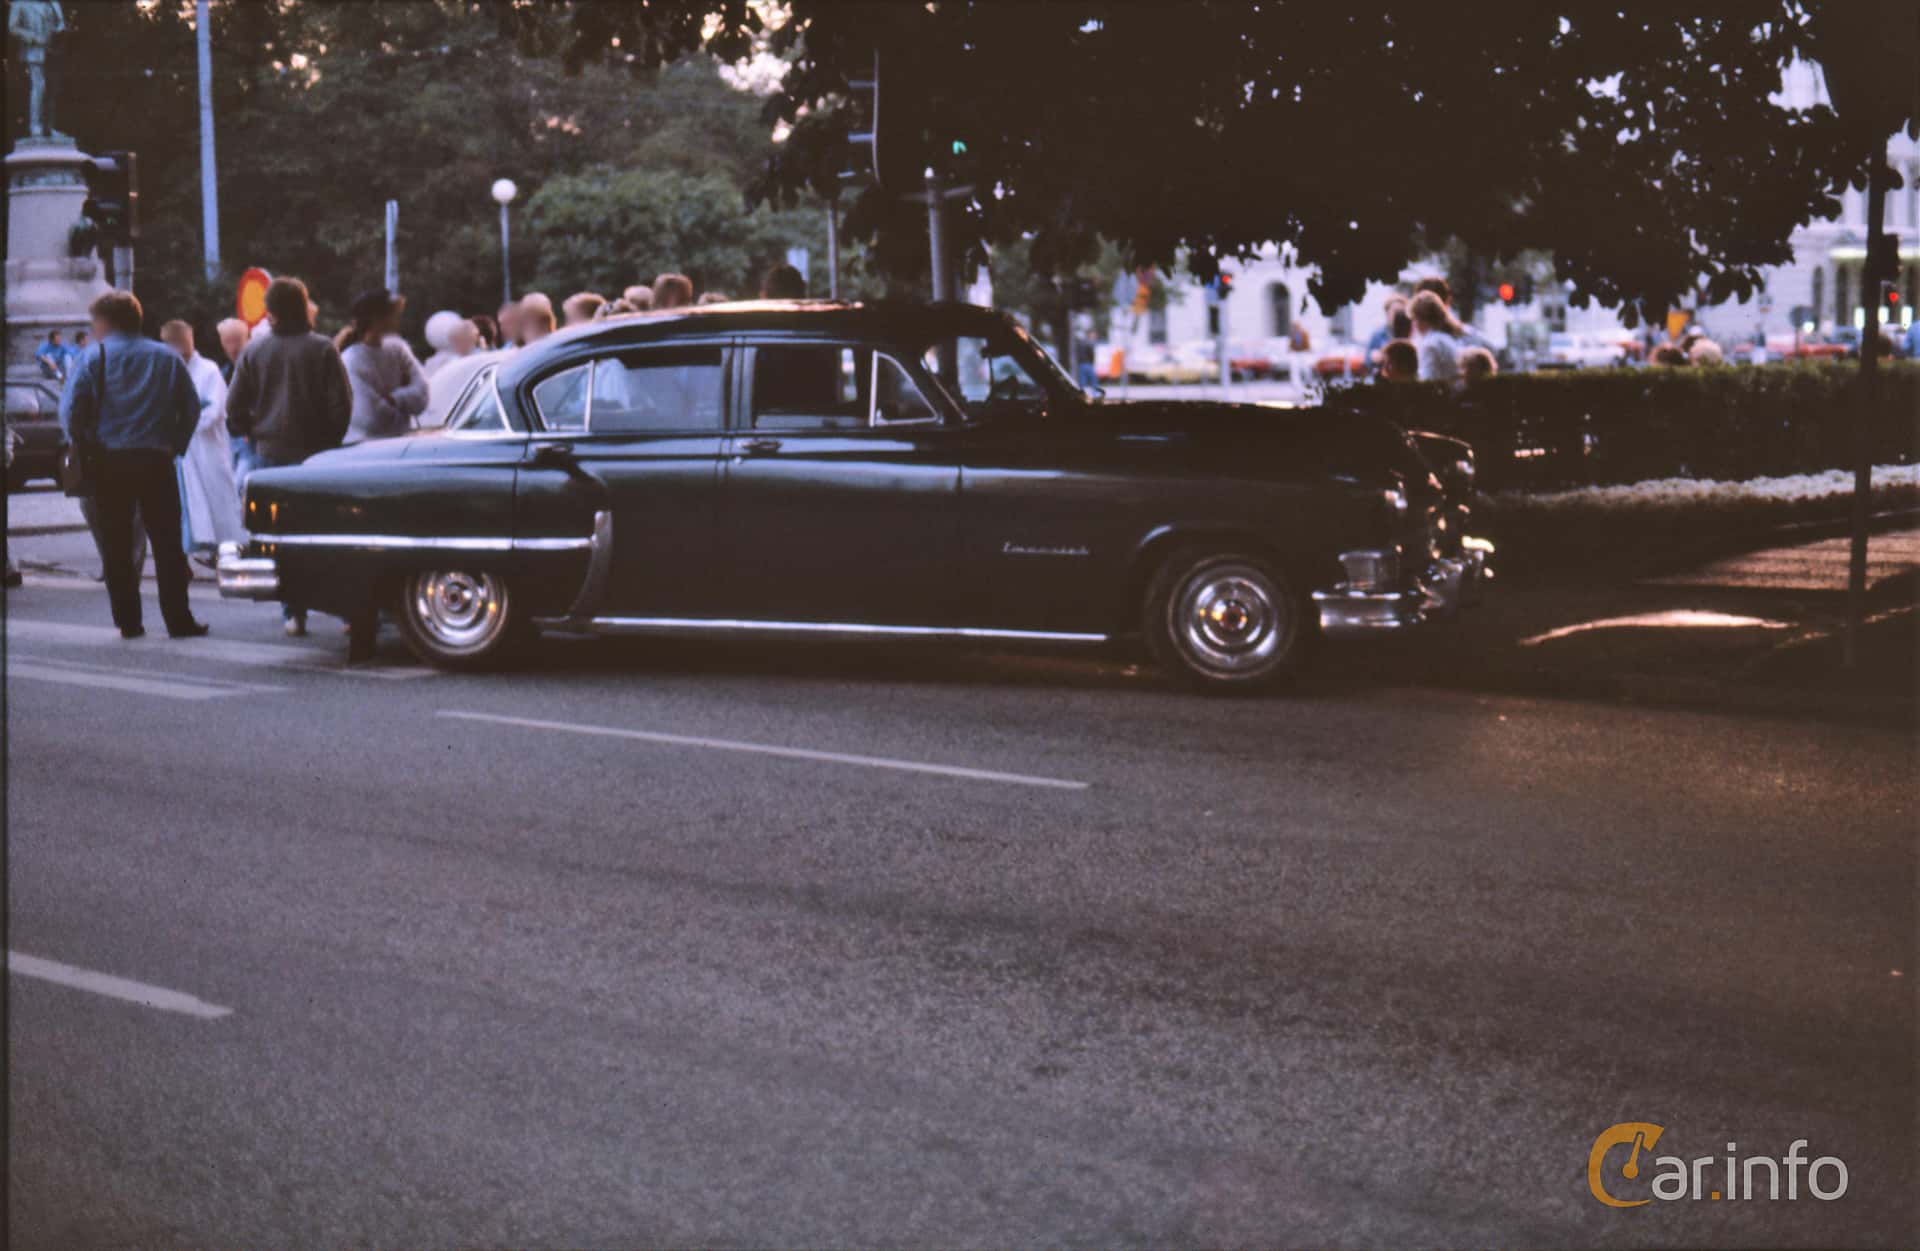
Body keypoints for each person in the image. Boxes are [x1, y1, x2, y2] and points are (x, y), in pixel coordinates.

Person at [57, 290, 206, 640]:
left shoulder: (93, 358)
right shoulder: (166, 357)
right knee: (167, 544)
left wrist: (85, 442)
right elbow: (191, 408)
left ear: (105, 323)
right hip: (157, 460)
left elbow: (71, 412)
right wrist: (175, 445)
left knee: (117, 544)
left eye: (95, 322)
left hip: (110, 462)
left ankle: (128, 621)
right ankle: (178, 619)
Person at [225, 276, 351, 637]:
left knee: (281, 535)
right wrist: (329, 440)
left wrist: (251, 430)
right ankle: (343, 608)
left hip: (270, 456)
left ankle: (293, 612)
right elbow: (341, 406)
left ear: (271, 311)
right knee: (326, 532)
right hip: (317, 456)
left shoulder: (254, 351)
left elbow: (233, 408)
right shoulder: (323, 349)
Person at [159, 319, 245, 555]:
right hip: (186, 450)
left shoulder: (209, 370)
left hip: (208, 445)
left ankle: (231, 544)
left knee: (219, 495)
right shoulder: (169, 371)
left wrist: (183, 425)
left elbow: (215, 410)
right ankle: (201, 546)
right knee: (193, 500)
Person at [337, 288, 429, 444]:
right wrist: (404, 412)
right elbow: (370, 418)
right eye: (393, 313)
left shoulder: (398, 349)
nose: (398, 318)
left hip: (400, 444)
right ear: (376, 318)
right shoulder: (351, 359)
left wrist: (394, 399)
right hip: (363, 446)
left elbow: (423, 395)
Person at [1409, 291, 1465, 381]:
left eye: (1414, 319)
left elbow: (1427, 380)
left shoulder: (1430, 344)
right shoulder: (1446, 338)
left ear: (1421, 319)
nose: (1413, 324)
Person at [1364, 295, 1406, 368]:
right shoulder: (1378, 334)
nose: (1398, 315)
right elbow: (1367, 360)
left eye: (1401, 312)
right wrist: (1373, 357)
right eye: (1395, 311)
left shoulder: (1410, 333)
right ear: (1387, 312)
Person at [216, 317, 250, 382]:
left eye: (237, 341)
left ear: (248, 340)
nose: (233, 348)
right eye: (227, 341)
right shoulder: (222, 375)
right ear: (222, 344)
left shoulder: (259, 369)